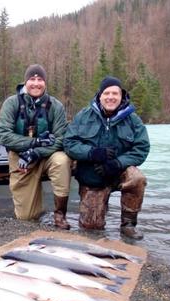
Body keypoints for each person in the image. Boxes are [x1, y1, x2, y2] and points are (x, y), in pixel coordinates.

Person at [63, 76, 150, 239]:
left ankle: (128, 225)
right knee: (90, 230)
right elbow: (69, 143)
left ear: (121, 96)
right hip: (93, 174)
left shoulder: (133, 119)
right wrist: (92, 153)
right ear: (100, 95)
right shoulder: (84, 116)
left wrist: (117, 163)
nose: (111, 97)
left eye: (115, 93)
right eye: (107, 93)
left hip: (119, 172)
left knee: (138, 178)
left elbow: (142, 148)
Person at [0, 64, 71, 229]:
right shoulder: (11, 103)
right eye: (32, 79)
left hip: (47, 156)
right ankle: (37, 209)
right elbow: (4, 136)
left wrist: (36, 152)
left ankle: (60, 214)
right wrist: (34, 142)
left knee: (62, 160)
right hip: (20, 158)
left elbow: (60, 139)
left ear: (45, 83)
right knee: (26, 218)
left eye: (40, 79)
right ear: (25, 82)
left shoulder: (56, 106)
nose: (36, 83)